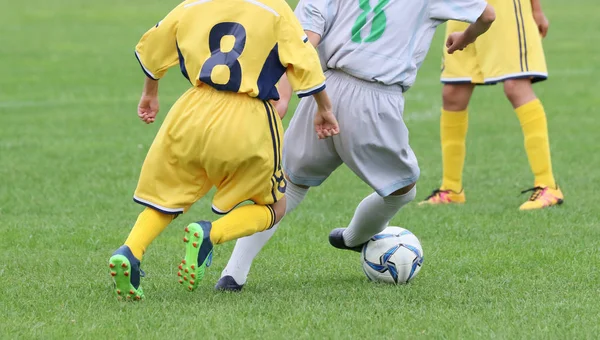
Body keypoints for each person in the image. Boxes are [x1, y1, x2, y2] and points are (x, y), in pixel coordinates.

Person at [214, 0, 496, 292]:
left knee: (288, 186)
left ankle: (233, 274)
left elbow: (304, 40)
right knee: (402, 189)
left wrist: (283, 95)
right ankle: (353, 238)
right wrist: (465, 38)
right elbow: (487, 15)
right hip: (375, 98)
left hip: (323, 90)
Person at [108, 0, 339, 301]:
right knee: (274, 207)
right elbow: (305, 62)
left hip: (190, 113)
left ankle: (131, 250)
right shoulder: (274, 8)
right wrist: (324, 108)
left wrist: (149, 93)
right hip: (247, 116)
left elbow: (152, 46)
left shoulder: (193, 4)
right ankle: (210, 234)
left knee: (167, 197)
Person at [420, 0, 563, 210]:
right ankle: (451, 189)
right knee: (453, 92)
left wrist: (537, 10)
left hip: (505, 8)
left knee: (515, 85)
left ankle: (547, 186)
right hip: (463, 5)